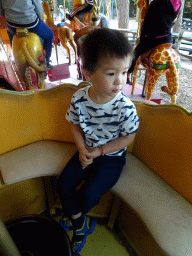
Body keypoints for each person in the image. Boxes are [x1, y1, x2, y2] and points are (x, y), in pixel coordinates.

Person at [57, 28, 140, 255]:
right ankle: (80, 223)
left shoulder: (125, 107)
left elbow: (129, 137)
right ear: (88, 72)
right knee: (63, 184)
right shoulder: (79, 99)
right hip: (86, 151)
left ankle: (77, 223)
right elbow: (74, 124)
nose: (120, 81)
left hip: (111, 159)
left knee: (88, 194)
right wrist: (82, 148)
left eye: (124, 72)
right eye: (111, 73)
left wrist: (101, 150)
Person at [128, 0, 181, 81]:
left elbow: (146, 23)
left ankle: (127, 75)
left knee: (133, 55)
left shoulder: (156, 3)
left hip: (152, 39)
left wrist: (142, 38)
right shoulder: (178, 3)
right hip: (167, 39)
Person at [0, 0, 53, 69]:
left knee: (10, 34)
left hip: (12, 25)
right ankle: (46, 62)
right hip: (31, 23)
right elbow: (39, 11)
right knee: (49, 35)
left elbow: (1, 12)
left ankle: (16, 56)